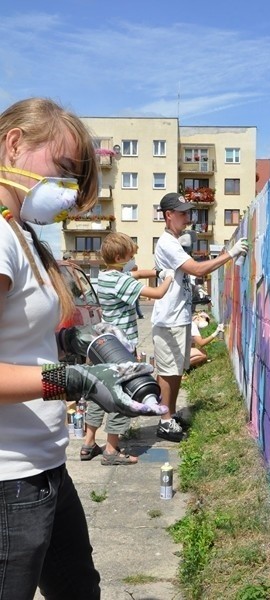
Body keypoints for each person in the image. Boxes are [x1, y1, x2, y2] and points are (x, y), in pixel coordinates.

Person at [0, 97, 161, 600]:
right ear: (13, 144)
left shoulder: (21, 231)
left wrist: (85, 347)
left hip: (44, 465)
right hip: (9, 479)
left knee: (79, 590)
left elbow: (23, 333)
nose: (69, 189)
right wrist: (72, 380)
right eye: (64, 169)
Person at [152, 191, 248, 442]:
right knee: (168, 372)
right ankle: (164, 421)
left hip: (178, 317)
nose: (188, 218)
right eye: (183, 213)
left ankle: (169, 416)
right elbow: (195, 268)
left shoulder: (175, 241)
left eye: (189, 213)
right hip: (168, 319)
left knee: (175, 372)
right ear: (168, 215)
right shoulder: (167, 243)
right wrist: (230, 254)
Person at [81, 232, 174, 465]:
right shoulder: (122, 281)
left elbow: (135, 274)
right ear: (122, 256)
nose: (134, 257)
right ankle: (112, 450)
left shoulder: (104, 276)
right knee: (121, 395)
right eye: (132, 253)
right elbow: (157, 294)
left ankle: (88, 443)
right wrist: (169, 277)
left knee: (97, 392)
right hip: (121, 350)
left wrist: (155, 272)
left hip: (102, 345)